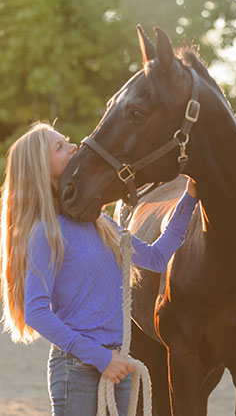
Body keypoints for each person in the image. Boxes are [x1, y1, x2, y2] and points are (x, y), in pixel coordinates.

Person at [0, 121, 198, 416]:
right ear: (40, 167)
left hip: (117, 364)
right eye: (60, 147)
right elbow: (37, 312)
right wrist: (100, 358)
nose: (74, 147)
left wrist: (191, 197)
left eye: (67, 141)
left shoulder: (101, 222)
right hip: (77, 371)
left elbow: (157, 257)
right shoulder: (46, 232)